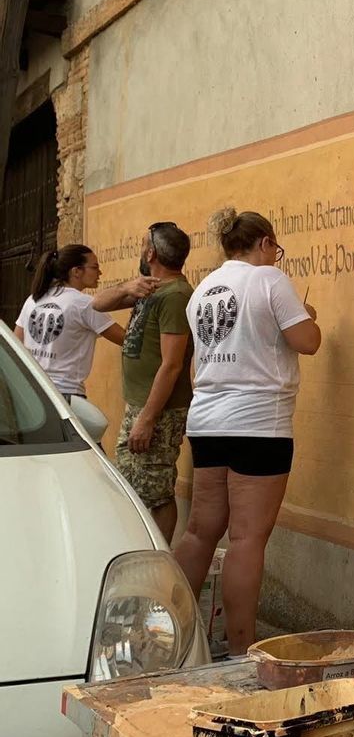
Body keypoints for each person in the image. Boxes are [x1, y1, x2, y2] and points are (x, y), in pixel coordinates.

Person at [173, 208, 321, 655]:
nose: (276, 256)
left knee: (200, 531)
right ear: (264, 243)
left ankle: (168, 636)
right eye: (275, 248)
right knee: (246, 538)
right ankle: (241, 650)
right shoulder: (269, 280)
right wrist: (306, 314)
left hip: (207, 421)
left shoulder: (202, 290)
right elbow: (308, 342)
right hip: (259, 423)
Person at [104, 222, 195, 543]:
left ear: (151, 252)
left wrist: (147, 419)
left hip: (159, 411)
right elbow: (96, 304)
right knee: (134, 484)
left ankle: (156, 561)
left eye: (143, 244)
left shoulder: (175, 295)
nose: (140, 249)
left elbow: (172, 365)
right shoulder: (151, 287)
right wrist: (128, 287)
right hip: (140, 406)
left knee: (155, 490)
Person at [14, 245, 125, 400]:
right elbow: (126, 340)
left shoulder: (33, 299)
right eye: (94, 267)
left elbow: (17, 343)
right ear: (76, 271)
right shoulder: (84, 303)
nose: (100, 273)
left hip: (31, 392)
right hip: (65, 395)